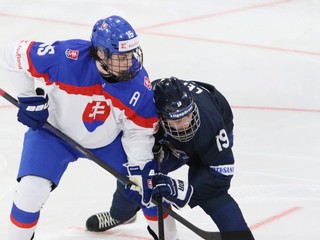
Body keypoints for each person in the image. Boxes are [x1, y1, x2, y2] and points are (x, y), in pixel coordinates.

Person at [2, 15, 159, 240]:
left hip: (109, 141)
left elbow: (139, 130)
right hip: (54, 135)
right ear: (102, 53)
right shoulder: (65, 57)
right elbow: (13, 52)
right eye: (121, 56)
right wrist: (27, 98)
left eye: (131, 54)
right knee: (30, 193)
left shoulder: (137, 83)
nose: (129, 62)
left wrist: (139, 167)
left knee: (153, 191)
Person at [87, 77, 255, 240]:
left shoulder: (210, 122)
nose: (185, 124)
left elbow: (220, 174)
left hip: (206, 137)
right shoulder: (146, 114)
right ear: (160, 116)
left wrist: (179, 190)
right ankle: (121, 214)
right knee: (136, 179)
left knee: (213, 194)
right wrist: (153, 156)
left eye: (187, 116)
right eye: (176, 120)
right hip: (164, 139)